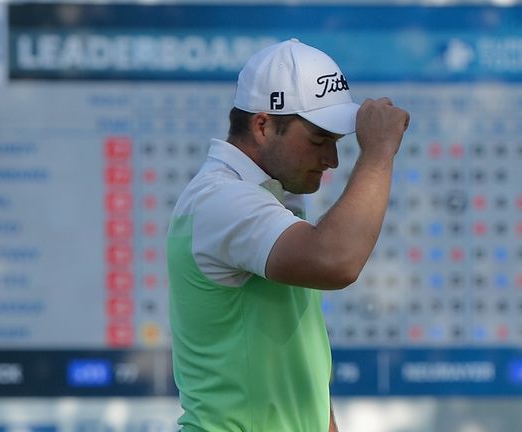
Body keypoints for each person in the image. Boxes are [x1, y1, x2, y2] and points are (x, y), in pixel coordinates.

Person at [167, 38, 409, 432]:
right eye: (318, 141)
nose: (331, 160)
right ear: (262, 125)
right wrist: (378, 152)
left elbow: (297, 353)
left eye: (336, 143)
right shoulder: (221, 199)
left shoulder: (267, 194)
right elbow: (336, 261)